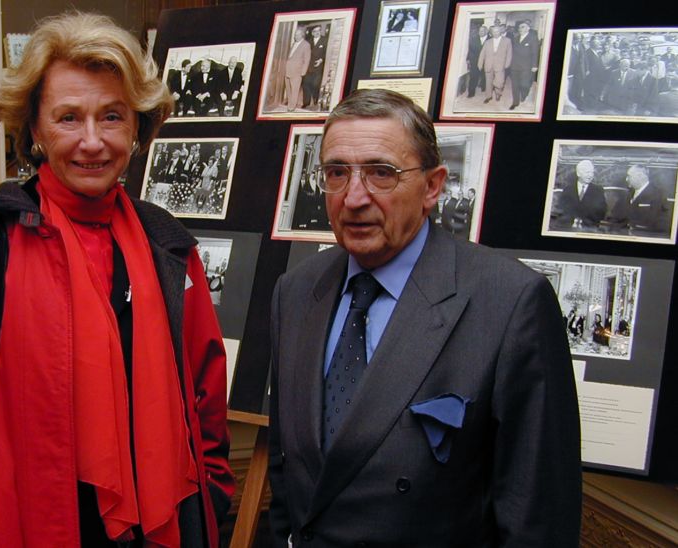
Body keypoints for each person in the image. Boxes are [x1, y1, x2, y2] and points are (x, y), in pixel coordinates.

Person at [0, 11, 234, 547]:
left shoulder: (169, 245)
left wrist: (212, 499)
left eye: (111, 116)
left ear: (137, 126)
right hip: (29, 528)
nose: (92, 142)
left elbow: (205, 403)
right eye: (69, 118)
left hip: (161, 527)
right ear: (35, 129)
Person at [268, 89, 581, 546]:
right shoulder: (296, 292)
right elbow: (287, 479)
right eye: (337, 173)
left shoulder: (509, 303)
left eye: (381, 173)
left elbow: (538, 518)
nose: (354, 197)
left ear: (433, 186)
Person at [558, 159, 607, 229]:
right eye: (587, 172)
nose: (590, 175)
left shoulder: (598, 190)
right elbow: (562, 209)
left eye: (592, 173)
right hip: (568, 226)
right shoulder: (568, 190)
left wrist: (584, 221)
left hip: (589, 228)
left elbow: (601, 212)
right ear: (578, 173)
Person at [625, 164, 665, 235]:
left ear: (640, 176)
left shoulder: (657, 194)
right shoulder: (628, 193)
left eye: (629, 176)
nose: (626, 179)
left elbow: (658, 223)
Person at [509, 20, 540, 110]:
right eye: (519, 27)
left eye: (523, 27)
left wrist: (535, 65)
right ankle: (515, 102)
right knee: (514, 85)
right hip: (514, 66)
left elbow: (535, 53)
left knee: (524, 84)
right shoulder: (515, 38)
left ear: (528, 28)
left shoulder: (533, 38)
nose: (520, 29)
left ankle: (524, 94)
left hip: (526, 66)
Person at [478, 25, 512, 104]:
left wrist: (507, 64)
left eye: (497, 31)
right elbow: (482, 53)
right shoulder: (487, 42)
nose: (495, 33)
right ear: (491, 33)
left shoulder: (507, 40)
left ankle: (498, 93)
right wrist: (480, 64)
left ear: (500, 31)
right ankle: (488, 96)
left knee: (499, 82)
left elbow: (509, 54)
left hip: (500, 65)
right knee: (488, 82)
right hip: (488, 65)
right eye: (493, 32)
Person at [284, 27, 311, 111]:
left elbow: (307, 59)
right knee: (288, 88)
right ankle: (289, 103)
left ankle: (292, 106)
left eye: (297, 34)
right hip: (288, 70)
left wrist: (303, 72)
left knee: (295, 89)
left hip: (297, 71)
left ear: (302, 35)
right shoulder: (294, 44)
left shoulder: (306, 45)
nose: (295, 36)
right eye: (295, 34)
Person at [303, 26, 327, 109]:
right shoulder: (308, 41)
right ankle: (306, 103)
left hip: (318, 67)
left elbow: (327, 52)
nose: (317, 32)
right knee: (306, 84)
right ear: (312, 33)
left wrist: (321, 60)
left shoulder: (325, 40)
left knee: (315, 85)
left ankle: (316, 100)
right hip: (308, 67)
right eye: (315, 31)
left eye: (319, 30)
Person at [467, 25, 488, 98]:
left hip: (486, 62)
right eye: (479, 31)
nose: (480, 32)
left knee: (485, 76)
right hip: (475, 62)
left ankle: (483, 86)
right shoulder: (473, 38)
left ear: (486, 31)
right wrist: (468, 59)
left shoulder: (491, 40)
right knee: (473, 77)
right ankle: (471, 93)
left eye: (482, 31)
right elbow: (470, 50)